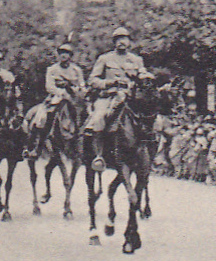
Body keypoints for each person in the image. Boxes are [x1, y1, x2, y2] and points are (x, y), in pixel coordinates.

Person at [83, 27, 148, 172]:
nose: (121, 42)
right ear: (114, 42)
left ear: (129, 41)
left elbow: (143, 75)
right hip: (108, 97)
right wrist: (108, 83)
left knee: (148, 118)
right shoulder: (104, 59)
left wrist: (145, 78)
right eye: (118, 39)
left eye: (124, 39)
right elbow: (93, 80)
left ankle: (147, 153)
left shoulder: (136, 60)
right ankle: (99, 156)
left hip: (130, 97)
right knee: (99, 117)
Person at [24, 43, 85, 158]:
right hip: (56, 98)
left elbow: (82, 86)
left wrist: (73, 89)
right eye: (61, 53)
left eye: (66, 53)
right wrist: (61, 92)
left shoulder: (77, 70)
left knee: (84, 115)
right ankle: (36, 146)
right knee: (41, 117)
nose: (63, 55)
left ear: (70, 56)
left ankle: (80, 145)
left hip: (73, 98)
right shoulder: (52, 69)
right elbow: (49, 86)